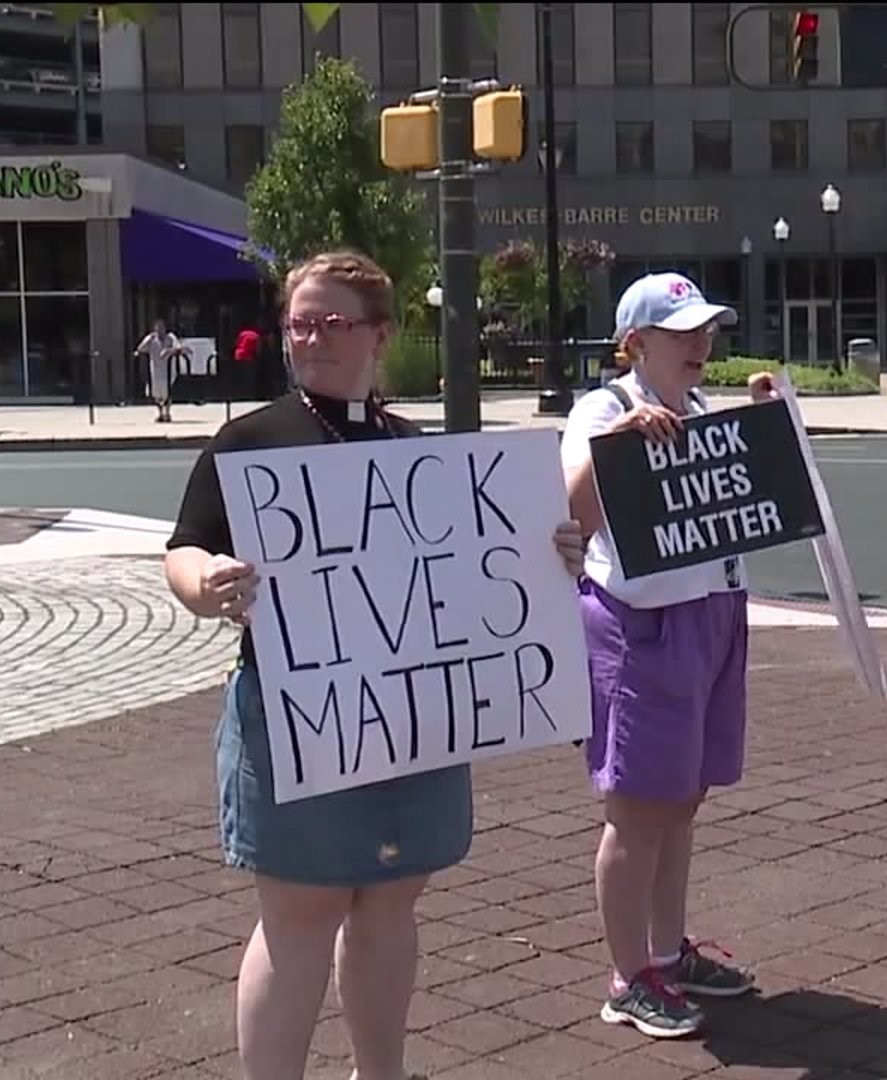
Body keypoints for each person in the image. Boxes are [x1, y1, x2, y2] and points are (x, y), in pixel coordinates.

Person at [163, 249, 588, 1080]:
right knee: (301, 915)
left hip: (411, 717)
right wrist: (206, 584)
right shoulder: (249, 441)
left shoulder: (412, 450)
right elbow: (184, 551)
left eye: (332, 322)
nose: (311, 338)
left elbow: (472, 573)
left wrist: (550, 555)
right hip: (301, 716)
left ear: (380, 334)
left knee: (392, 903)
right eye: (299, 322)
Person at [559, 272, 779, 1040]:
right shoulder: (603, 410)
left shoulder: (701, 411)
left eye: (705, 330)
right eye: (682, 331)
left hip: (711, 616)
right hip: (641, 624)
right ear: (635, 343)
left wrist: (765, 425)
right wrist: (616, 445)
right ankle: (630, 976)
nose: (700, 344)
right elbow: (573, 519)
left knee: (682, 800)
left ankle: (666, 953)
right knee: (636, 808)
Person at [136, 319, 183, 423]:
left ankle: (167, 413)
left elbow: (178, 347)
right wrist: (148, 340)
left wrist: (169, 351)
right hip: (155, 371)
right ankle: (160, 413)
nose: (160, 330)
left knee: (167, 393)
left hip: (168, 370)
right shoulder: (151, 339)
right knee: (156, 394)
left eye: (162, 327)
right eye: (158, 328)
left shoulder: (170, 337)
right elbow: (140, 349)